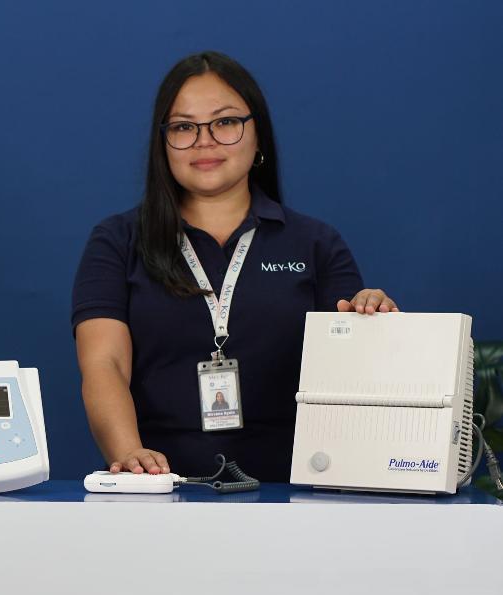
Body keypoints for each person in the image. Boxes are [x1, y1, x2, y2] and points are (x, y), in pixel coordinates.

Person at [72, 51, 397, 481]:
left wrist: (370, 320)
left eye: (225, 122)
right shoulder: (117, 241)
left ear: (258, 135)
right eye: (184, 127)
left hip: (297, 491)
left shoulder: (317, 243)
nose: (204, 141)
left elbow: (350, 375)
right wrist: (130, 455)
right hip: (162, 490)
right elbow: (105, 365)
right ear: (162, 143)